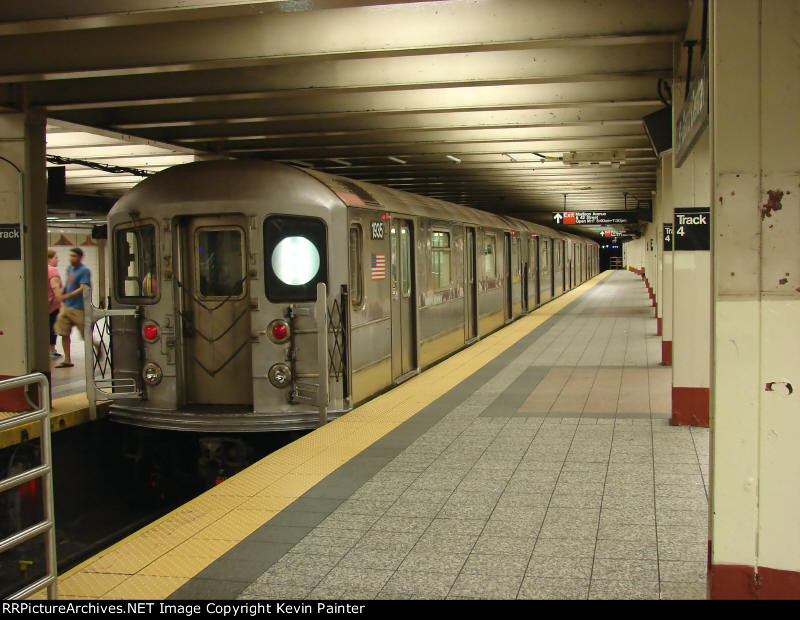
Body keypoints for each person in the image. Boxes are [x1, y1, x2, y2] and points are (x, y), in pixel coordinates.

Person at [53, 247, 93, 368]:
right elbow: (68, 284)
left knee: (85, 333)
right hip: (67, 306)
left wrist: (67, 295)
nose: (71, 258)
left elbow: (83, 288)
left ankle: (96, 347)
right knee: (63, 332)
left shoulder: (84, 270)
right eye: (70, 256)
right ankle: (67, 359)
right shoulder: (70, 269)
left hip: (78, 307)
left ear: (80, 257)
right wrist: (61, 294)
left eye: (74, 256)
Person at [47, 249, 63, 358]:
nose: (58, 260)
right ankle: (51, 350)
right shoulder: (52, 271)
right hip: (53, 306)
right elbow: (55, 288)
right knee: (53, 328)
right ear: (49, 258)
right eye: (56, 257)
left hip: (44, 305)